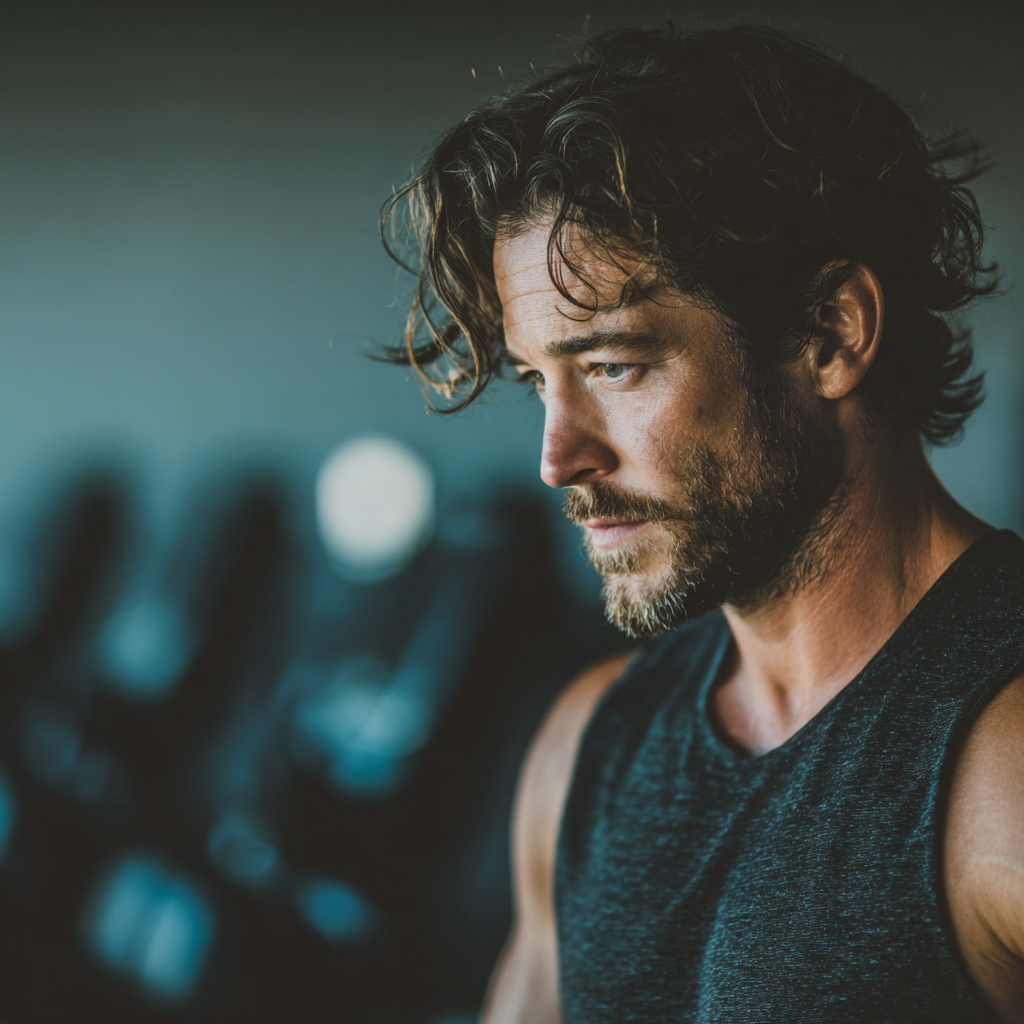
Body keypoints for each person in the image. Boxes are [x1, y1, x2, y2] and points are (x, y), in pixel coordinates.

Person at [382, 25, 1024, 1022]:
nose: (557, 458)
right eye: (538, 382)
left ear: (830, 335)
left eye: (613, 367)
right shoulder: (584, 746)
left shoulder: (1001, 762)